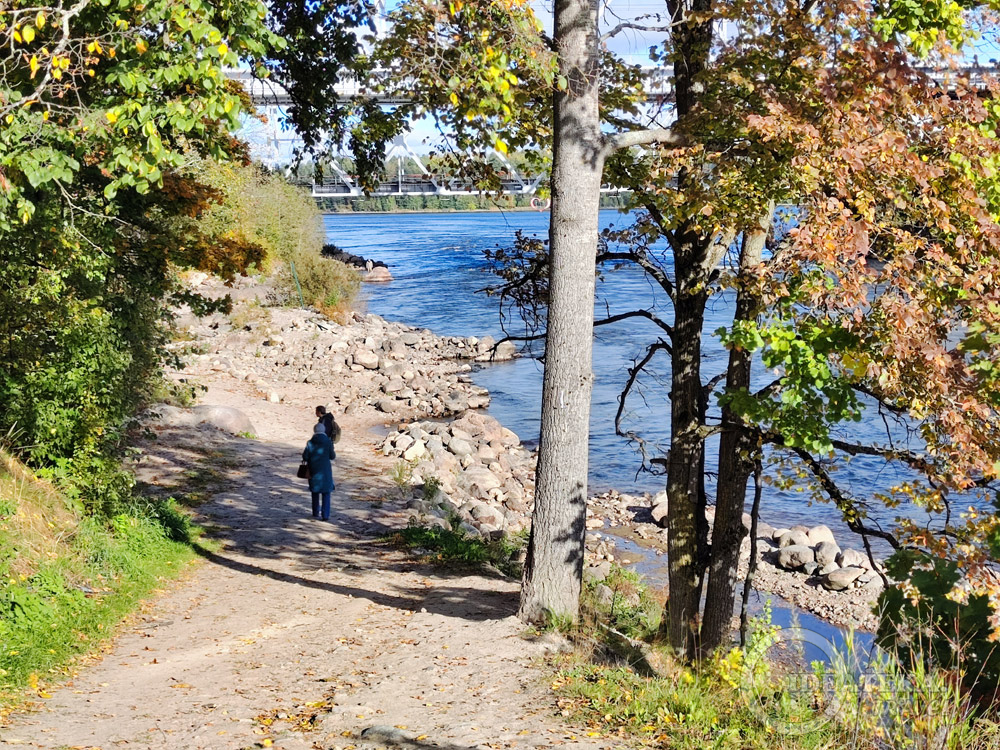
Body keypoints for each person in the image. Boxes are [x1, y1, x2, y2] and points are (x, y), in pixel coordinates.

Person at [302, 422, 335, 521]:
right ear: (324, 430)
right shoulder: (328, 442)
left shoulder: (310, 442)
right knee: (326, 493)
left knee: (315, 491)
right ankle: (325, 515)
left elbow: (305, 456)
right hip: (325, 471)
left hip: (313, 469)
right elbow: (332, 456)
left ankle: (315, 512)